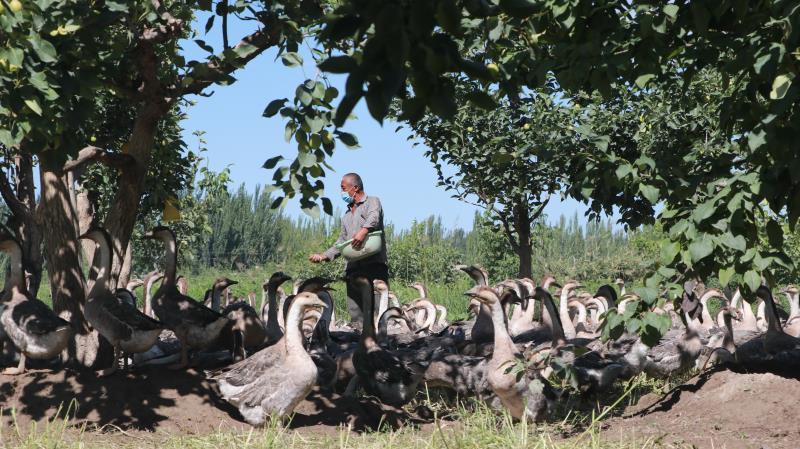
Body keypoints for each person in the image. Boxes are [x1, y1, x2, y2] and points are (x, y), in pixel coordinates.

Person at [309, 173, 388, 323]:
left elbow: (374, 218)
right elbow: (342, 241)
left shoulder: (372, 202)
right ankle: (358, 341)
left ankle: (381, 342)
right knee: (356, 314)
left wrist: (363, 231)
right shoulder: (346, 215)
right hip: (353, 268)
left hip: (374, 265)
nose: (342, 192)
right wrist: (324, 255)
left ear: (356, 188)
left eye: (343, 188)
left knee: (379, 310)